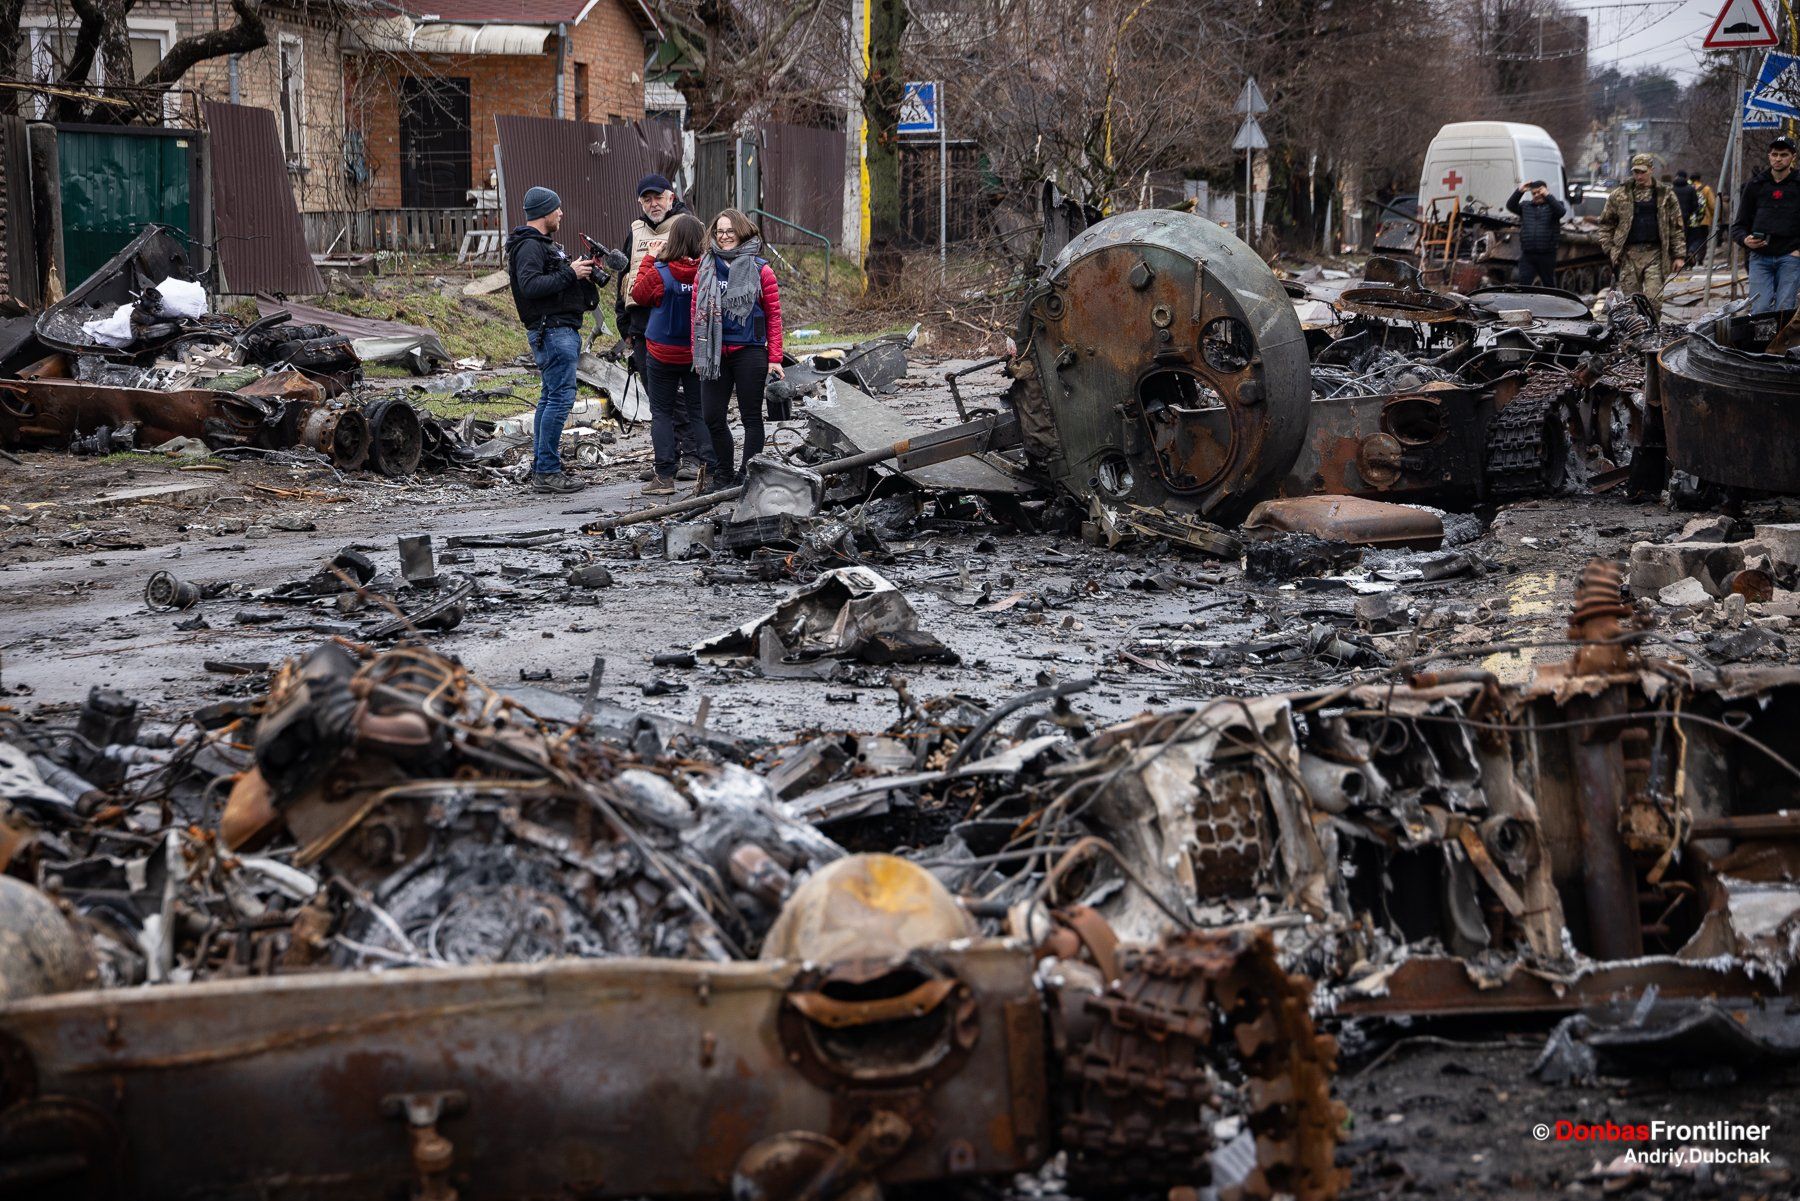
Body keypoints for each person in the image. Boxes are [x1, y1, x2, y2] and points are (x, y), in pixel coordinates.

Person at [505, 185, 596, 494]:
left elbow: (552, 282)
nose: (561, 213)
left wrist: (581, 275)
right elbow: (530, 286)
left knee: (550, 398)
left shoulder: (543, 245)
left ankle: (545, 465)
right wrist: (570, 274)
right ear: (545, 211)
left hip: (558, 329)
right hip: (552, 331)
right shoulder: (529, 246)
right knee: (559, 399)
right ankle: (547, 470)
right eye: (557, 208)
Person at [615, 174, 704, 482]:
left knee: (687, 400)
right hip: (643, 327)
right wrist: (623, 322)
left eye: (658, 197)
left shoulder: (687, 225)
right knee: (659, 400)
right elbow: (627, 277)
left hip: (681, 330)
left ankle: (692, 456)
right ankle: (667, 459)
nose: (653, 204)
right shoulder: (636, 231)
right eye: (646, 199)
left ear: (671, 196)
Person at [693, 209, 785, 486]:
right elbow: (695, 313)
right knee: (712, 417)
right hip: (714, 354)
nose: (724, 236)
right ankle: (723, 474)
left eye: (730, 231)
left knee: (751, 418)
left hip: (750, 351)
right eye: (719, 231)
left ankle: (748, 475)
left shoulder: (761, 269)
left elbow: (774, 315)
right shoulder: (706, 268)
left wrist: (775, 358)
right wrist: (696, 353)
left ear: (741, 232)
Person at [629, 212, 717, 495]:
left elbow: (639, 295)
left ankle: (664, 476)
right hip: (694, 353)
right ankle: (712, 472)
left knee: (662, 413)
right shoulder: (707, 273)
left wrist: (649, 259)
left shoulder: (660, 272)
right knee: (699, 412)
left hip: (661, 352)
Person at [1598, 153, 1686, 319]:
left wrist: (1679, 255)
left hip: (1656, 254)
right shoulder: (1619, 195)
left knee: (1653, 299)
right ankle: (1635, 335)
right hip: (1628, 254)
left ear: (1651, 170)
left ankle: (1652, 333)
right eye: (1636, 172)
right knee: (1631, 302)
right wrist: (1610, 249)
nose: (1638, 176)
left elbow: (1676, 226)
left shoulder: (1665, 195)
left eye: (1642, 172)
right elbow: (1605, 224)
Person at [1731, 137, 1800, 314]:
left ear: (1793, 156)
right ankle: (1760, 342)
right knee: (1760, 308)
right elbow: (1738, 226)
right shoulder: (1756, 185)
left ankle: (1781, 342)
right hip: (1760, 257)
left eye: (1783, 155)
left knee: (1784, 308)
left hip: (1790, 256)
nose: (1778, 159)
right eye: (1774, 154)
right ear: (1769, 156)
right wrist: (1745, 240)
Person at [1504, 179, 1566, 286]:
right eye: (1534, 193)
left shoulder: (1554, 206)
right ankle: (1525, 303)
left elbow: (1561, 212)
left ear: (1546, 191)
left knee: (1549, 285)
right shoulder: (1525, 206)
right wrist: (1520, 191)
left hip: (1547, 255)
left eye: (1539, 192)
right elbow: (1510, 206)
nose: (1536, 195)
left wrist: (1548, 195)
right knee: (1524, 286)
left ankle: (1550, 303)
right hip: (1528, 255)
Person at [1688, 170, 1716, 263]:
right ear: (1700, 179)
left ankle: (1691, 253)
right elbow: (1712, 205)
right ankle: (1700, 259)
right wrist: (1714, 217)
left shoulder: (1688, 188)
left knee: (1691, 238)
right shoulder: (1706, 189)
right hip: (1704, 219)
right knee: (1703, 239)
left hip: (1690, 219)